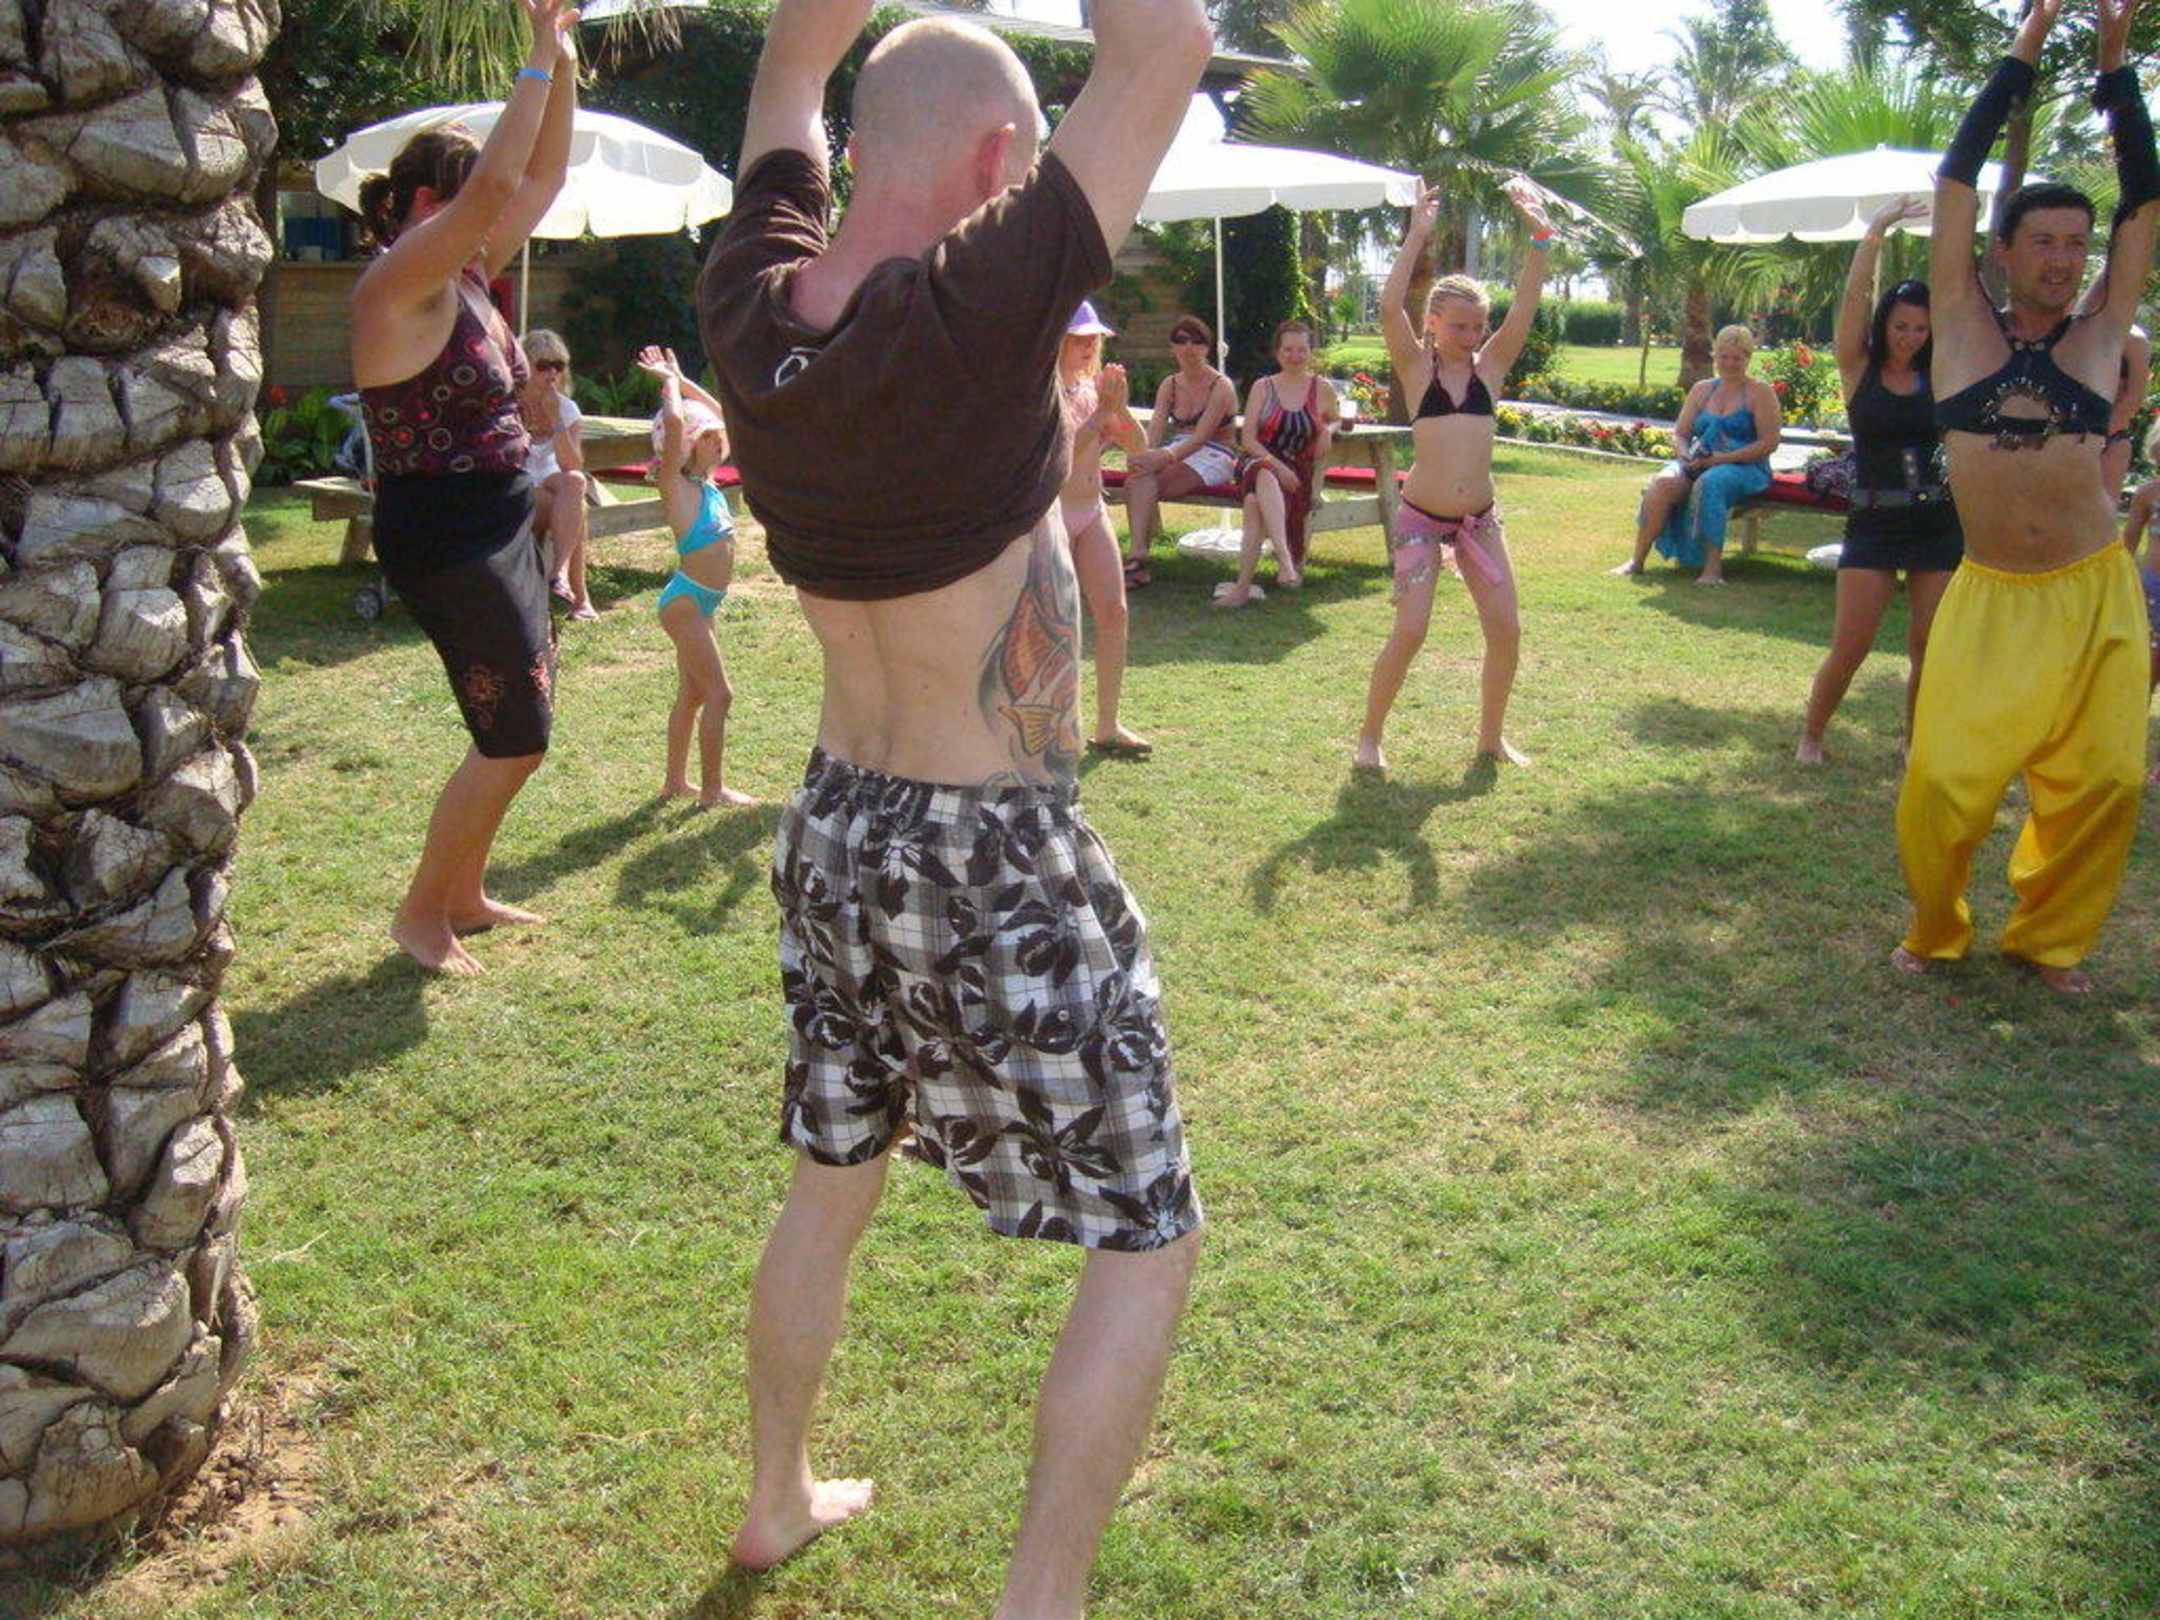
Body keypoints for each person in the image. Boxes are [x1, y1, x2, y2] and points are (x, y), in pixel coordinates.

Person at [695, 3, 1210, 1613]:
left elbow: (790, 68)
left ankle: (776, 1495)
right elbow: (1169, 42)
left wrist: (812, 40)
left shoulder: (750, 302)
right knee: (1148, 1237)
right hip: (987, 846)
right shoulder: (977, 305)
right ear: (1001, 164)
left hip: (837, 824)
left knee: (834, 1167)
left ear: (861, 149)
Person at [1896, 0, 2156, 996]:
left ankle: (2049, 941)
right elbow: (1954, 182)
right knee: (1942, 782)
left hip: (2093, 595)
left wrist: (2117, 68)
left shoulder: (2102, 330)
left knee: (2105, 781)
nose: (2063, 258)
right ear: (2003, 250)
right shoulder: (1959, 320)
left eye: (2076, 243)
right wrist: (2027, 45)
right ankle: (1937, 926)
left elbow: (2146, 200)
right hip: (1991, 594)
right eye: (2043, 240)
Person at [350, 0, 578, 976]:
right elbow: (498, 184)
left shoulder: (472, 277)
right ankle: (420, 916)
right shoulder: (395, 287)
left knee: (519, 724)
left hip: (499, 520)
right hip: (446, 537)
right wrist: (534, 53)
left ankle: (465, 895)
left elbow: (541, 176)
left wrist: (564, 53)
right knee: (513, 735)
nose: (485, 214)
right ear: (419, 206)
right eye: (461, 202)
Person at [1351, 177, 1554, 773]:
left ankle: (1491, 738)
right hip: (1421, 521)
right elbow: (1389, 308)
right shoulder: (1417, 369)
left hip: (1479, 522)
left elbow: (1526, 307)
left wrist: (1540, 240)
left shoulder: (1491, 368)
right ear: (1434, 322)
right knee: (1411, 631)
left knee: (1507, 628)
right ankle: (1369, 738)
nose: (1470, 336)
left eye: (1477, 326)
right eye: (1459, 326)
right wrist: (1417, 233)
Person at [1797, 201, 1963, 765]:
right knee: (1851, 645)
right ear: (1884, 324)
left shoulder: (1941, 372)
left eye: (1920, 328)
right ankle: (1812, 735)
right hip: (1873, 520)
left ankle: (1916, 744)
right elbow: (1852, 304)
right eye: (1900, 326)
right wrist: (1876, 230)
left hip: (1936, 521)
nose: (1910, 337)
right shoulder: (1858, 367)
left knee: (1929, 647)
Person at [636, 345, 756, 809]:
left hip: (703, 604)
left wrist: (683, 378)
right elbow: (673, 422)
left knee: (692, 695)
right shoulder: (675, 485)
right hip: (685, 603)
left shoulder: (708, 485)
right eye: (706, 436)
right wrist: (668, 384)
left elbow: (724, 415)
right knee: (720, 695)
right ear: (686, 444)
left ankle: (674, 782)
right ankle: (711, 791)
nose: (717, 439)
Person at [1057, 302, 1153, 757]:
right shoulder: (1041, 389)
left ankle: (1108, 725)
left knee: (1113, 611)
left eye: (1093, 338)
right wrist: (1100, 416)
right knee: (1057, 623)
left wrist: (1119, 408)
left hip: (1091, 510)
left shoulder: (1095, 389)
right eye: (1079, 338)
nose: (1089, 346)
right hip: (1051, 516)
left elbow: (1139, 448)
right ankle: (1053, 726)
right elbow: (1059, 458)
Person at [1614, 325, 1782, 584]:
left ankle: (1711, 570)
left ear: (1748, 359)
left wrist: (1720, 459)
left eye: (1737, 358)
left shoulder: (1760, 392)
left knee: (1710, 482)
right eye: (1724, 356)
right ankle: (1636, 561)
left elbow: (1769, 443)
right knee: (1664, 483)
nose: (1730, 363)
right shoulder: (1702, 389)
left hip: (1745, 466)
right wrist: (1684, 456)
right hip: (1699, 461)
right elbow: (1681, 433)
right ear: (1715, 355)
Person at [1215, 318, 1337, 609]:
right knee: (1264, 472)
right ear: (1277, 353)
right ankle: (1285, 559)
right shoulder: (1263, 387)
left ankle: (1242, 588)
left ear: (1310, 352)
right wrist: (1277, 466)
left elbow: (1336, 419)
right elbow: (1248, 439)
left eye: (1302, 350)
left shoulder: (1322, 388)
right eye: (1288, 350)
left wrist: (1327, 431)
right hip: (1258, 459)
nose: (1295, 356)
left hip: (1296, 468)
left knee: (1254, 504)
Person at [1120, 315, 1239, 586]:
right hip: (1178, 448)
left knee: (1148, 483)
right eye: (1181, 341)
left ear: (1207, 348)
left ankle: (1138, 559)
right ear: (1172, 347)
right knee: (1137, 478)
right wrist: (1144, 455)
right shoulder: (1170, 384)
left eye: (1197, 341)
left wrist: (1161, 457)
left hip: (1216, 453)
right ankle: (1138, 556)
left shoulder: (1221, 385)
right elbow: (1155, 431)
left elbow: (1200, 438)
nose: (1189, 348)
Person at [520, 327, 598, 621]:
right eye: (543, 365)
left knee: (576, 482)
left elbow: (572, 465)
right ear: (524, 366)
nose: (552, 373)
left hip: (554, 486)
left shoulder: (566, 409)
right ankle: (580, 599)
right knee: (577, 509)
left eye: (558, 365)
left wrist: (556, 420)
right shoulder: (508, 404)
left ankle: (559, 572)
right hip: (518, 488)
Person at [2117, 417, 2160, 781]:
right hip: (2152, 592)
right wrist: (2120, 588)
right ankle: (2126, 754)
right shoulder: (2148, 494)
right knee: (2143, 673)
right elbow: (2127, 544)